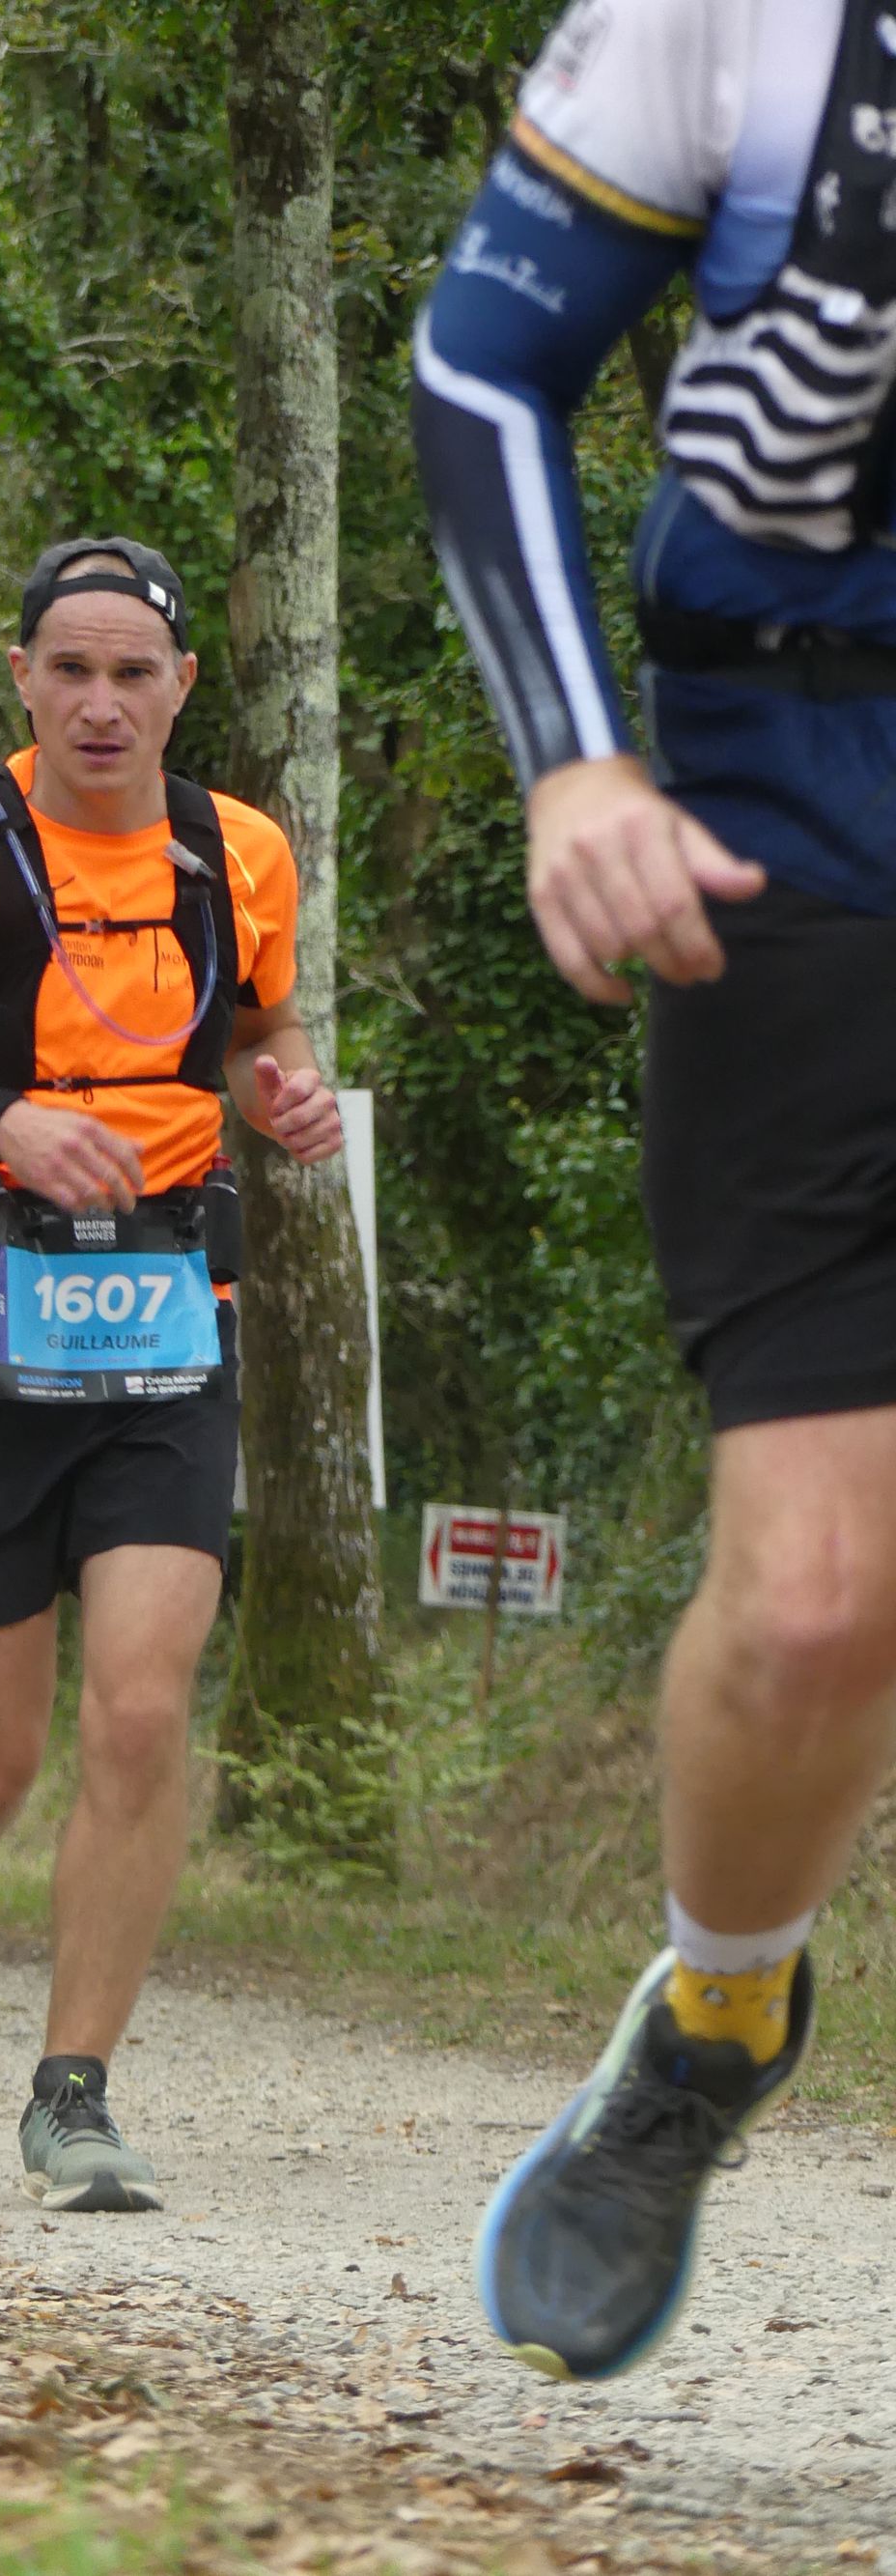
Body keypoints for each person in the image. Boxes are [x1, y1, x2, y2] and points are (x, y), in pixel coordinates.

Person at [410, 0, 896, 2383]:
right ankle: (713, 2017)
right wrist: (568, 765)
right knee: (811, 1609)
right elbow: (480, 368)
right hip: (790, 826)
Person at [0, 537, 340, 2210]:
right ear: (24, 678)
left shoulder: (239, 849)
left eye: (133, 672)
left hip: (172, 1305)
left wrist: (288, 1090)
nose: (102, 702)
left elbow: (257, 1031)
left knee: (141, 1703)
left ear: (181, 687)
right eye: (72, 669)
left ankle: (75, 2089)